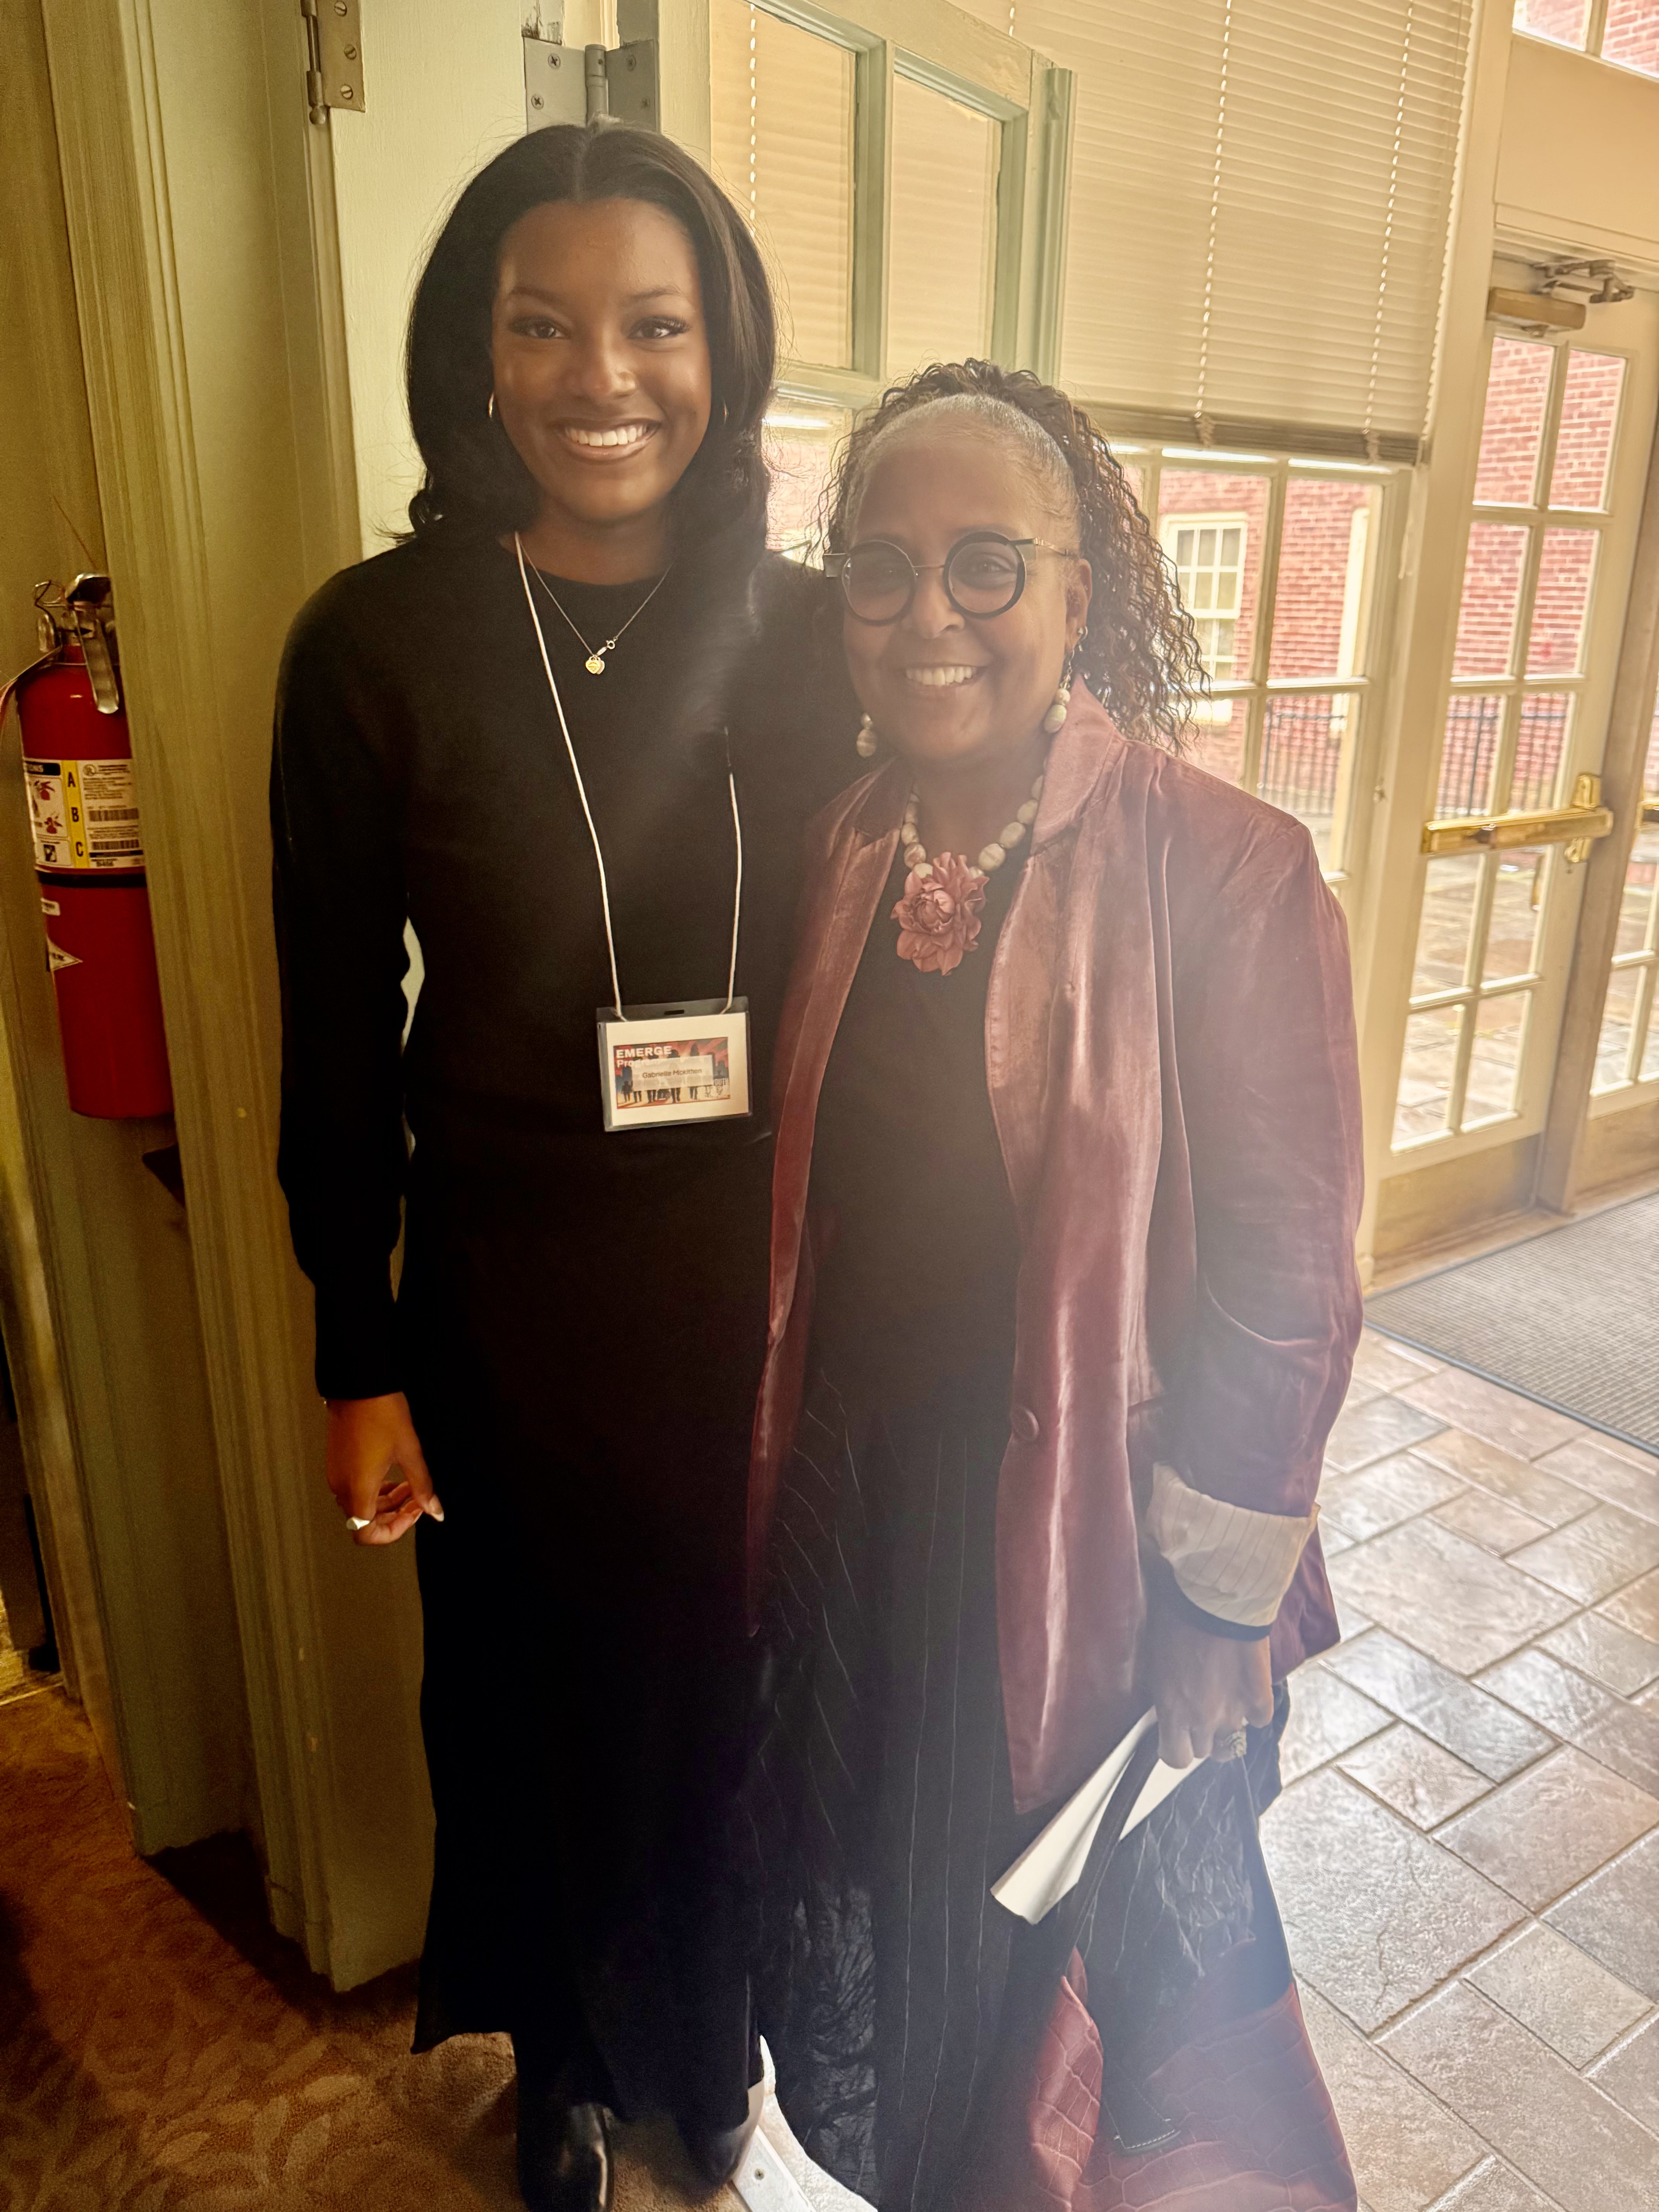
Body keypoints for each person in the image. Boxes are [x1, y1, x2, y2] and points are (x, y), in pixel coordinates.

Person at [271, 124, 850, 2212]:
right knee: (524, 1699)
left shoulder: (813, 635)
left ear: (723, 352)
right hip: (503, 1294)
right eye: (542, 325)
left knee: (726, 1694)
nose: (602, 376)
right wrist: (356, 1352)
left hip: (755, 1289)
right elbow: (336, 1031)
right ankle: (565, 2070)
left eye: (654, 325)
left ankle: (708, 2039)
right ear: (475, 353)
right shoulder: (375, 641)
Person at [746, 362, 1363, 2212]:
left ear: (1080, 592)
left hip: (1091, 1547)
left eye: (987, 564)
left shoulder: (1228, 868)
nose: (929, 613)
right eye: (881, 568)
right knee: (909, 1962)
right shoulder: (847, 845)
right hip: (866, 1518)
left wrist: (1211, 1611)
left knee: (1076, 2014)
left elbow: (1288, 1283)